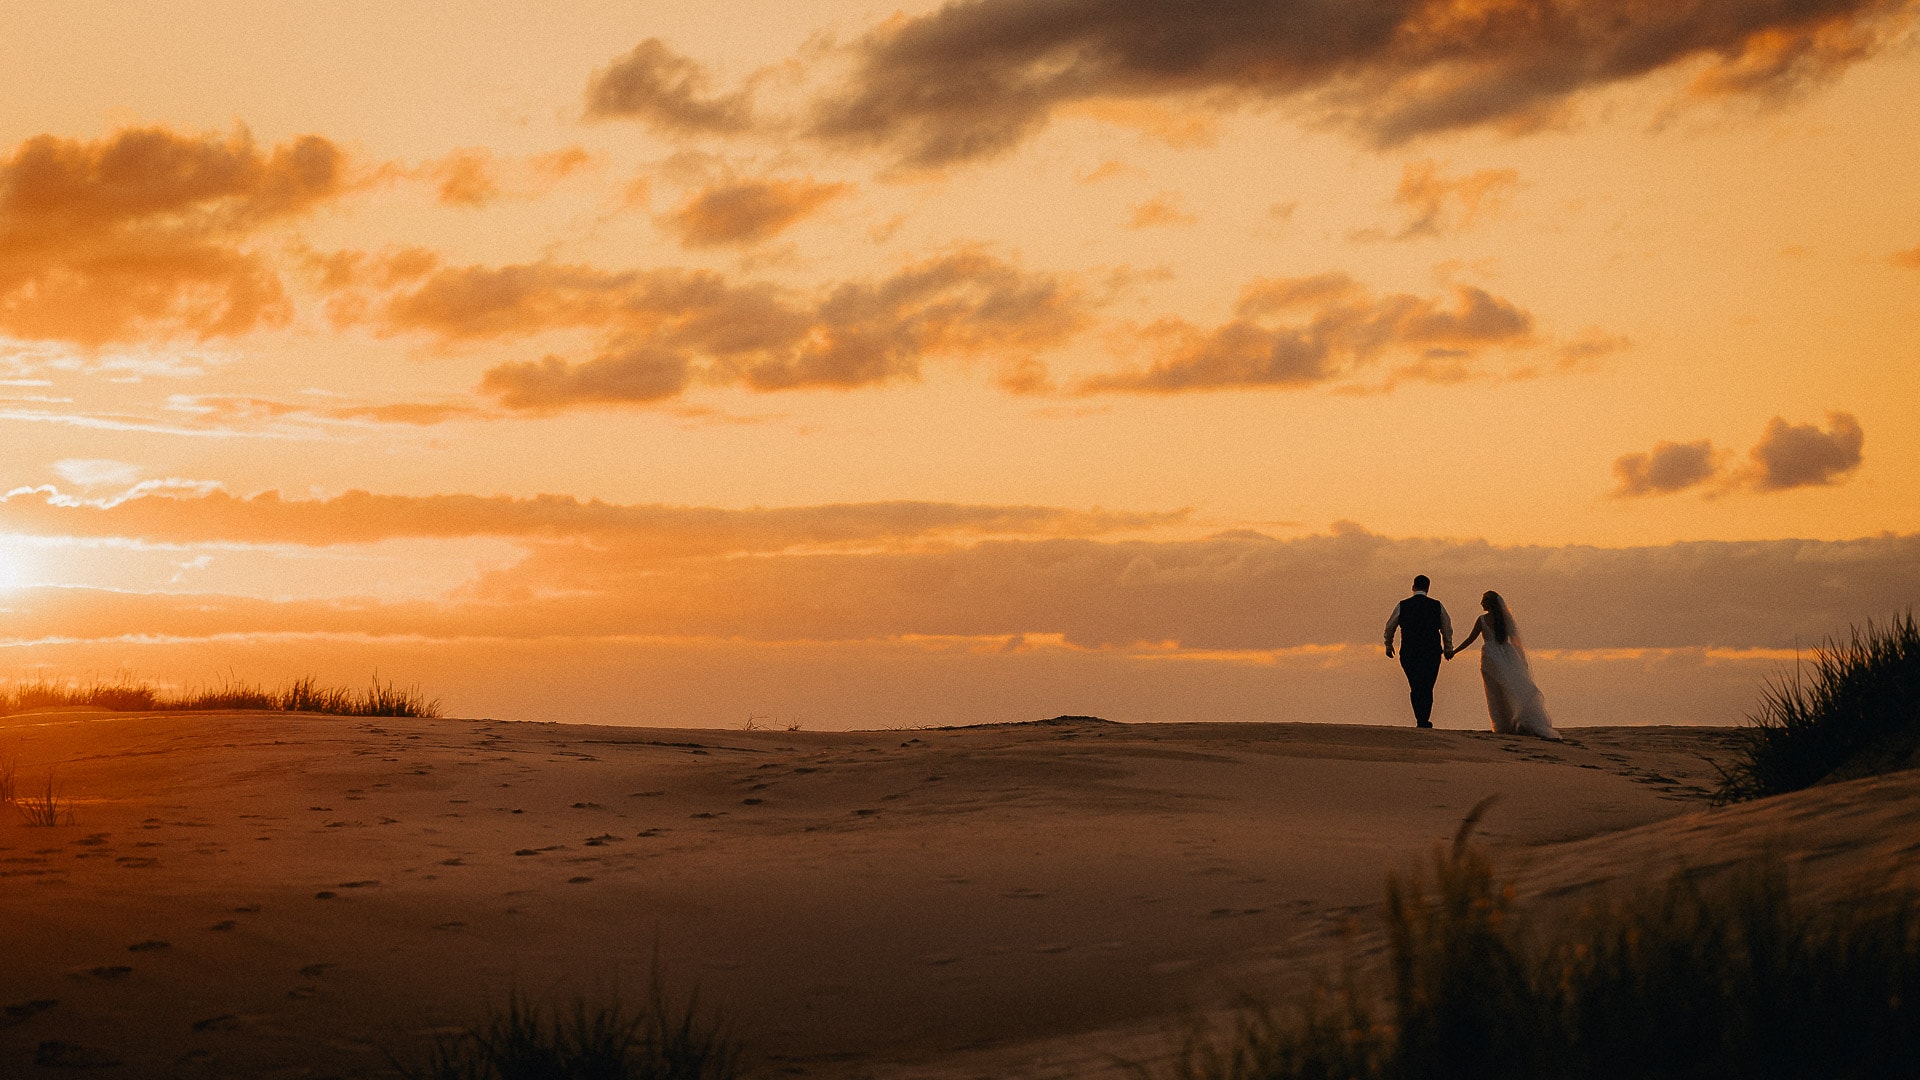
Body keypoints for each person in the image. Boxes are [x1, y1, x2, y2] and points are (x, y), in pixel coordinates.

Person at [1448, 591, 1561, 740]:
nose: (1481, 603)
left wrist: (1454, 651)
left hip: (1490, 656)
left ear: (1489, 603)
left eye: (1483, 601)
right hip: (1507, 655)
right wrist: (1521, 660)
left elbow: (1470, 639)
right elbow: (1516, 641)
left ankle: (1503, 724)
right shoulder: (1505, 620)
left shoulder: (1482, 620)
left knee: (1494, 691)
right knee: (1510, 687)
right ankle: (1514, 722)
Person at [1383, 575, 1452, 728]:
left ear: (1413, 587)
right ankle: (1423, 718)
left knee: (1415, 685)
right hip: (1431, 651)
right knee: (1427, 686)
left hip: (1409, 651)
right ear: (1428, 588)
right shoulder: (1437, 606)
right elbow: (1446, 628)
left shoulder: (1403, 605)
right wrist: (1448, 648)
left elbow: (1390, 626)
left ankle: (1420, 718)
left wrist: (1388, 645)